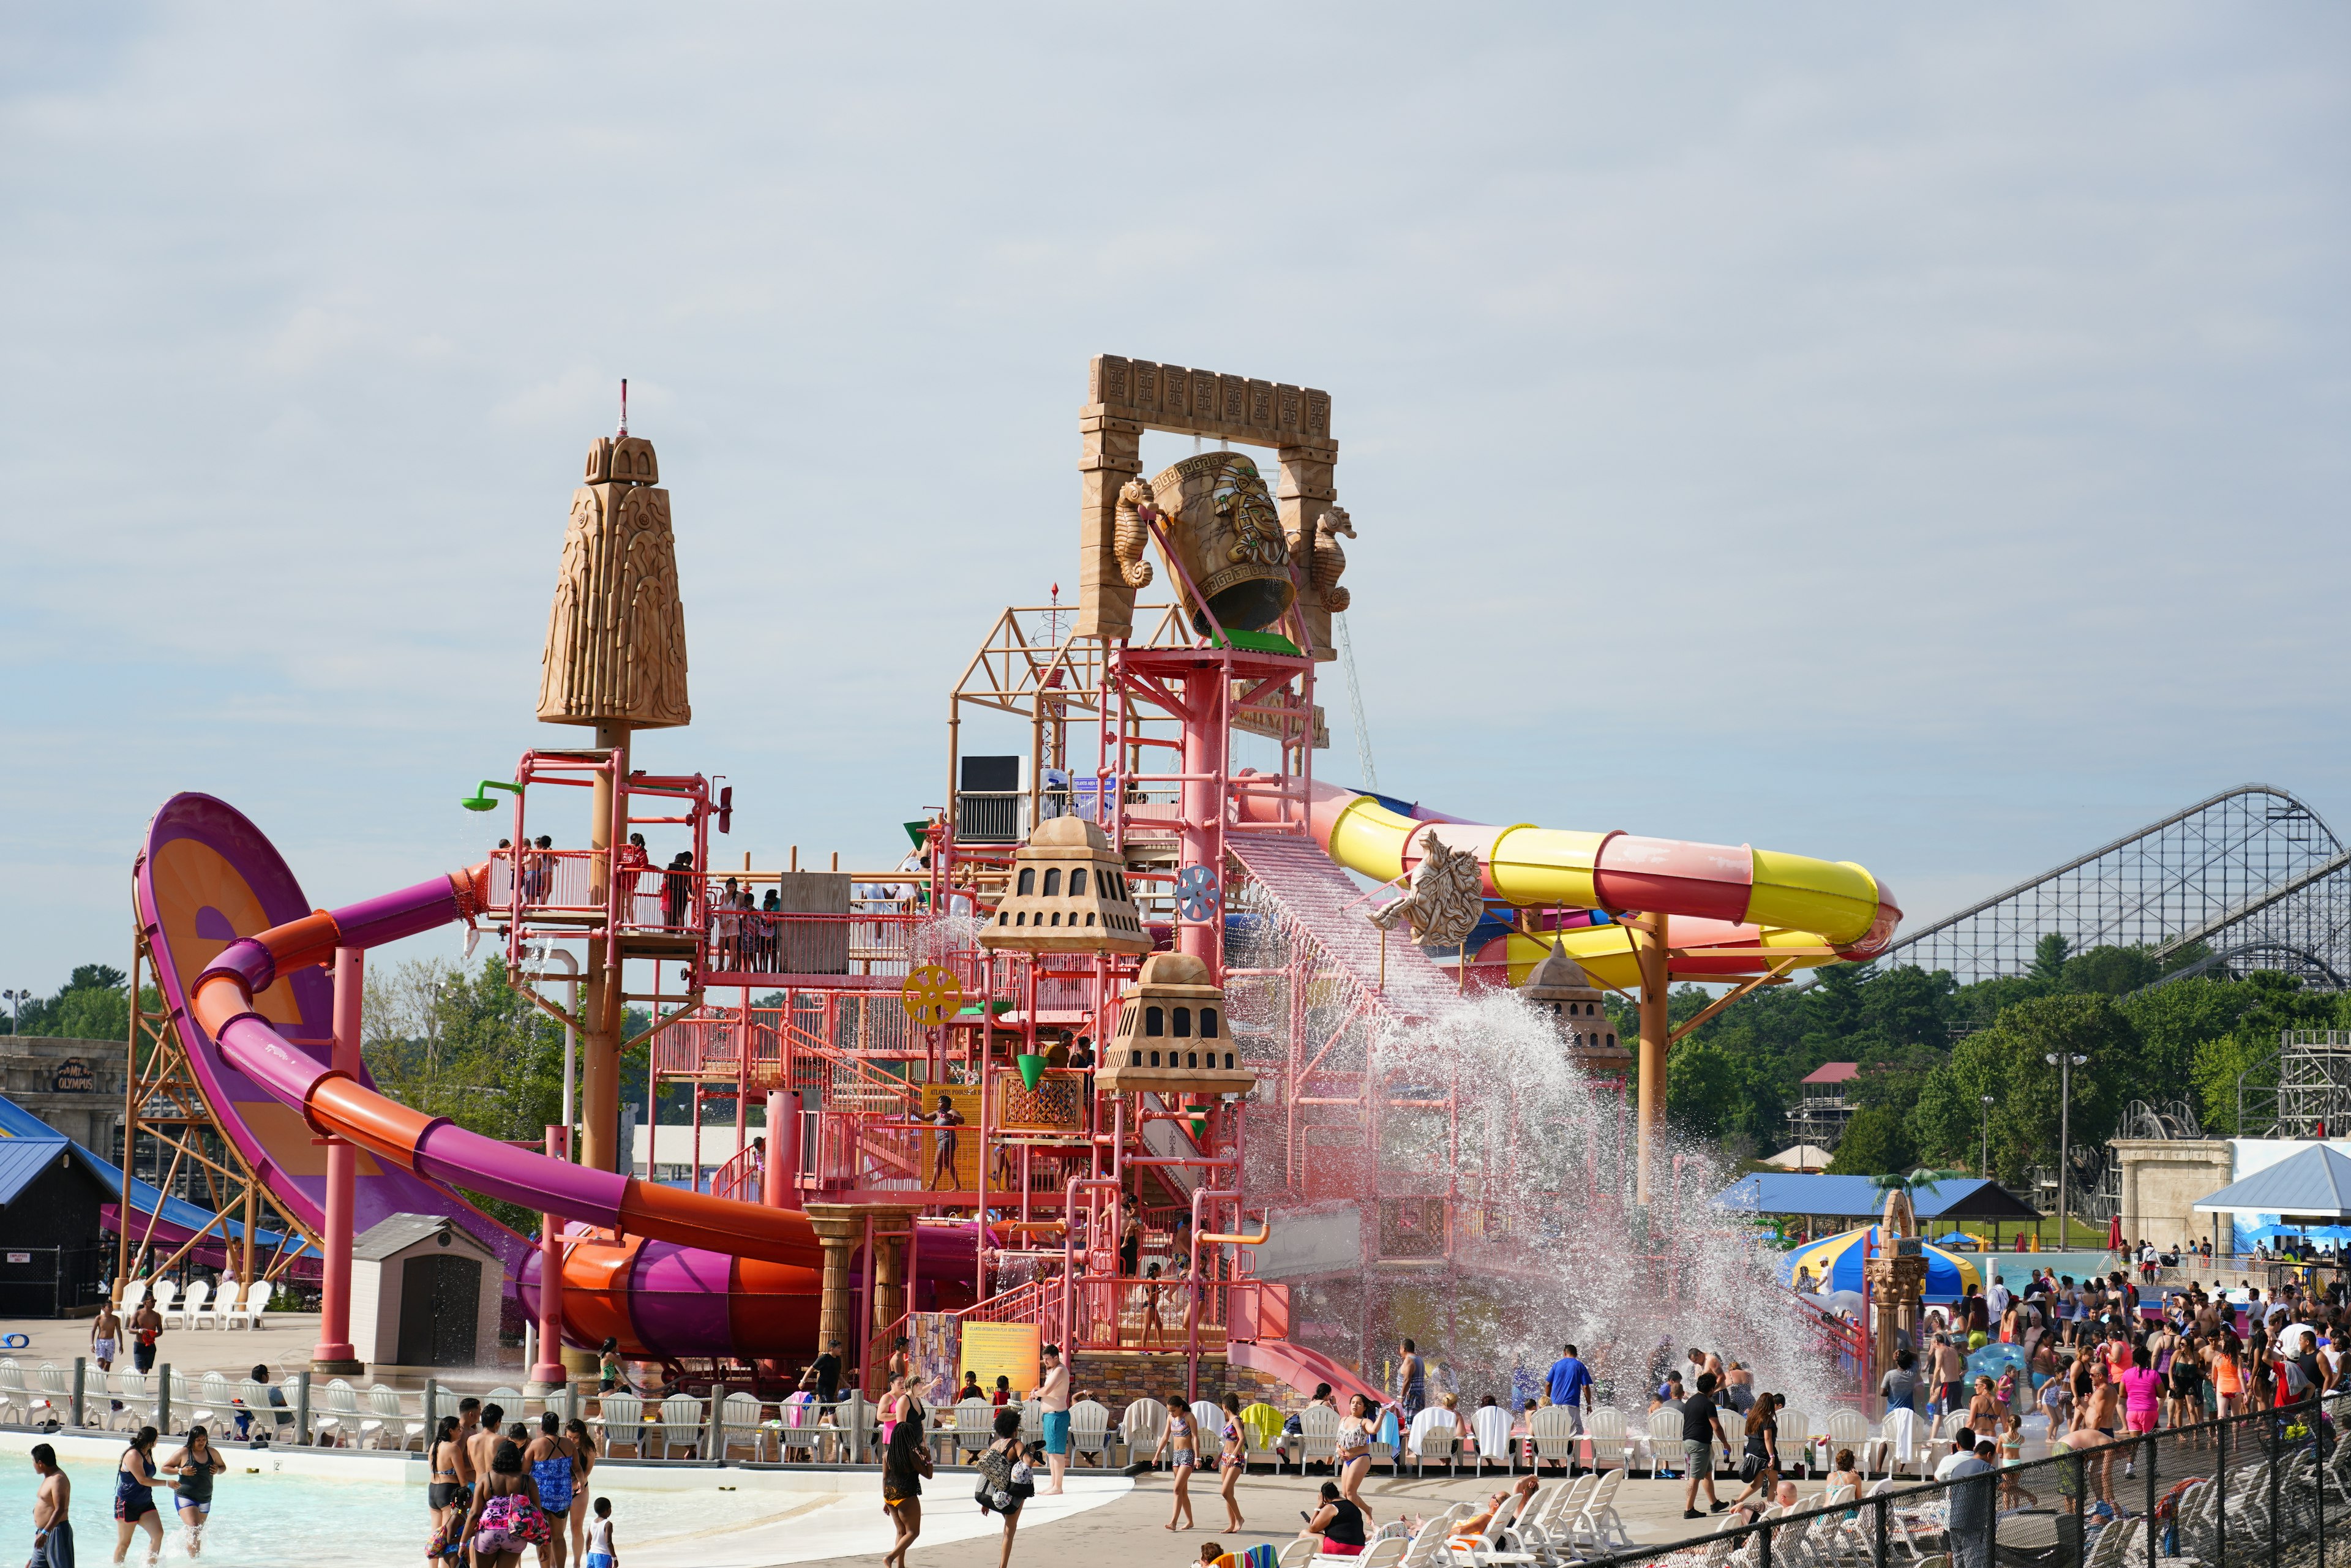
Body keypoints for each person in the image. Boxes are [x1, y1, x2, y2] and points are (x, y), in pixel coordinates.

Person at [463, 1439, 547, 1568]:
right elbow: (539, 1514)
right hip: (515, 1535)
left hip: (488, 1533)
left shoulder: (486, 1479)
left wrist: (463, 1544)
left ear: (497, 1457)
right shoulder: (527, 1480)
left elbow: (474, 1513)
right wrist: (543, 1544)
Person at [974, 1408, 1027, 1568]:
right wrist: (1030, 1453)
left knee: (1008, 1527)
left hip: (992, 1494)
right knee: (1009, 1531)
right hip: (1009, 1495)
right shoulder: (1017, 1444)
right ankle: (1002, 1566)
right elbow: (1028, 1463)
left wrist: (985, 1502)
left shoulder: (995, 1444)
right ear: (1014, 1428)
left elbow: (990, 1472)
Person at [161, 1425, 224, 1558]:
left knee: (197, 1532)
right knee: (195, 1528)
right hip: (185, 1496)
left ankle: (191, 1558)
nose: (202, 1443)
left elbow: (223, 1467)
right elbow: (164, 1468)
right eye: (198, 1440)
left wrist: (218, 1470)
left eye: (204, 1439)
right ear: (192, 1440)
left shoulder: (212, 1452)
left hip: (205, 1498)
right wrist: (180, 1471)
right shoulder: (183, 1453)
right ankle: (193, 1562)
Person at [523, 1411, 576, 1568]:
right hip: (562, 1496)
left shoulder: (536, 1445)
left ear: (543, 1427)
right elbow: (578, 1469)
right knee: (559, 1537)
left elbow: (524, 1471)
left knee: (542, 1536)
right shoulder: (569, 1444)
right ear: (558, 1427)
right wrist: (581, 1484)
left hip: (541, 1497)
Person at [113, 1425, 171, 1566]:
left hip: (145, 1502)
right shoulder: (133, 1455)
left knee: (158, 1534)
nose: (158, 1440)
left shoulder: (148, 1452)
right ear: (151, 1440)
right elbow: (143, 1480)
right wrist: (168, 1483)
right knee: (124, 1543)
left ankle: (150, 1565)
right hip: (127, 1504)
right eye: (157, 1438)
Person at [879, 1416, 931, 1568]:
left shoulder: (887, 1455)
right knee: (913, 1532)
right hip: (906, 1496)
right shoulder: (912, 1456)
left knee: (901, 1532)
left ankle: (900, 1566)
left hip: (890, 1496)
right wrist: (928, 1458)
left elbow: (885, 1478)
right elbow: (929, 1475)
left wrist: (885, 1500)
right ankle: (890, 1558)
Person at [1679, 1371, 1730, 1520]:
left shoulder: (1691, 1401)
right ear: (1712, 1389)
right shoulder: (1708, 1403)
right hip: (1699, 1444)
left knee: (1707, 1473)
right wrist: (1725, 1443)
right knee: (1694, 1477)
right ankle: (1689, 1510)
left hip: (1690, 1442)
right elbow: (1716, 1427)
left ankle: (1714, 1503)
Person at [1942, 1436, 1998, 1568]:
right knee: (1973, 1561)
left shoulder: (1958, 1468)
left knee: (1959, 1561)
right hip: (1972, 1524)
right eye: (1993, 1459)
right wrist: (2027, 1494)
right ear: (1989, 1455)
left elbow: (1950, 1494)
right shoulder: (1985, 1467)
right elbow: (2004, 1486)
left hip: (1954, 1522)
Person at [1725, 1392, 1780, 1512]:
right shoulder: (1767, 1419)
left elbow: (1746, 1432)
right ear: (1769, 1405)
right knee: (1774, 1481)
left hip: (1752, 1451)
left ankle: (1738, 1501)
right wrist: (1772, 1457)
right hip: (1764, 1453)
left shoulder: (1752, 1417)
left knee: (1758, 1483)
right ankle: (1770, 1506)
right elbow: (1767, 1438)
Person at [1155, 1389, 1198, 1531]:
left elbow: (1195, 1438)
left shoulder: (1189, 1417)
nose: (1171, 1413)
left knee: (1177, 1489)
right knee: (1183, 1491)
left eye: (1173, 1410)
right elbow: (1165, 1437)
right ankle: (1190, 1521)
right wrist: (1156, 1455)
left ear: (1180, 1407)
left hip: (1188, 1455)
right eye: (1169, 1411)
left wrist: (1197, 1457)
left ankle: (1173, 1522)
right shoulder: (1170, 1419)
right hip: (1176, 1456)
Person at [1034, 1343, 1071, 1496]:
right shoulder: (1053, 1371)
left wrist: (1036, 1393)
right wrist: (1037, 1392)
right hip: (1050, 1416)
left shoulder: (1060, 1370)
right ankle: (1053, 1484)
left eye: (1048, 1359)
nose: (1046, 1362)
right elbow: (1046, 1391)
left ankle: (1058, 1486)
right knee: (1050, 1453)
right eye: (1044, 1359)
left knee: (1057, 1453)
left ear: (1056, 1357)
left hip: (1057, 1416)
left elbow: (1048, 1390)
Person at [1332, 1394, 1376, 1523]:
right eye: (1353, 1402)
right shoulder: (1344, 1419)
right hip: (1347, 1459)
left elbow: (1373, 1430)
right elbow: (1339, 1439)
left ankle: (1353, 1522)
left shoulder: (1365, 1422)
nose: (1355, 1405)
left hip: (1361, 1458)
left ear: (1364, 1408)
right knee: (1346, 1493)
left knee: (1351, 1492)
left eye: (1359, 1403)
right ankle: (1368, 1509)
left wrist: (1382, 1416)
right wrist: (1338, 1450)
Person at [29, 1443, 72, 1568]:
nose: (33, 1464)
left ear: (40, 1463)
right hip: (43, 1532)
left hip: (55, 1532)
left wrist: (46, 1533)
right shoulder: (48, 1478)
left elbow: (60, 1510)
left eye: (33, 1461)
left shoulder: (58, 1479)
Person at [1299, 1480, 1366, 1558]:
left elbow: (1313, 1529)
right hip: (1359, 1548)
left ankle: (1301, 1563)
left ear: (1324, 1497)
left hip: (1342, 1548)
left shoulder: (1331, 1507)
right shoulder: (1350, 1504)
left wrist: (1318, 1507)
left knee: (1304, 1534)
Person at [1543, 1342, 1591, 1447]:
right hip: (1571, 1405)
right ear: (1576, 1354)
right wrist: (1589, 1405)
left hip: (1555, 1404)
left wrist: (1547, 1399)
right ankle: (1568, 1461)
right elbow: (1586, 1387)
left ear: (1565, 1353)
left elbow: (1548, 1385)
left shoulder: (1557, 1365)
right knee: (1572, 1434)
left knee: (1556, 1432)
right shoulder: (1580, 1366)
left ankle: (1557, 1460)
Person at [1215, 1392, 1247, 1533]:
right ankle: (1232, 1524)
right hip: (1225, 1458)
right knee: (1229, 1494)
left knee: (1225, 1492)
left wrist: (1233, 1456)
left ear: (1225, 1406)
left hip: (1236, 1459)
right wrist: (1219, 1457)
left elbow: (1242, 1439)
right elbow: (1228, 1442)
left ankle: (1239, 1518)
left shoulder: (1236, 1421)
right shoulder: (1228, 1421)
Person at [926, 1095, 964, 1191]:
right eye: (938, 1102)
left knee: (937, 1163)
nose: (938, 1104)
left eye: (940, 1102)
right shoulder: (938, 1113)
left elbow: (962, 1121)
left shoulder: (951, 1111)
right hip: (943, 1141)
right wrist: (913, 1111)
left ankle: (932, 1187)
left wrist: (952, 1116)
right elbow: (924, 1117)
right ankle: (957, 1186)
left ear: (946, 1104)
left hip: (947, 1140)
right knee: (948, 1164)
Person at [1879, 1349, 1921, 1418]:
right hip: (1909, 1415)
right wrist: (1900, 1351)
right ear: (1910, 1362)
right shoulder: (1913, 1373)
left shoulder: (1889, 1374)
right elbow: (1916, 1356)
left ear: (1897, 1360)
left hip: (1892, 1415)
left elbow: (1882, 1393)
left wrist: (1891, 1393)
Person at [1394, 1339, 1425, 1429]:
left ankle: (1411, 1444)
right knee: (1416, 1427)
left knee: (1411, 1429)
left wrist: (1401, 1398)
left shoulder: (1409, 1360)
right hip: (1419, 1399)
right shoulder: (1419, 1359)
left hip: (1411, 1400)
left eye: (1400, 1349)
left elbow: (1407, 1380)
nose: (1400, 1352)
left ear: (1403, 1348)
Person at [129, 1298, 162, 1376]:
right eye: (152, 1301)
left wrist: (153, 1335)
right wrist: (140, 1331)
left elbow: (160, 1331)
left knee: (146, 1371)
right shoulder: (138, 1314)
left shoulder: (156, 1316)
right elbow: (130, 1330)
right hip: (139, 1345)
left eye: (155, 1301)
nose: (154, 1303)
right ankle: (138, 1387)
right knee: (140, 1371)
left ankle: (141, 1387)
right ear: (145, 1303)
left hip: (151, 1346)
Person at [582, 1496, 618, 1568]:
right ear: (608, 1510)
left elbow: (588, 1541)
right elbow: (608, 1542)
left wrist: (588, 1555)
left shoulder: (592, 1522)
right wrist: (614, 1558)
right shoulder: (608, 1524)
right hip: (603, 1556)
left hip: (591, 1554)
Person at [810, 1340, 844, 1406]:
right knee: (831, 1408)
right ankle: (832, 1416)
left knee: (822, 1409)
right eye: (839, 1348)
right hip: (823, 1388)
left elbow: (838, 1373)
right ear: (832, 1349)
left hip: (832, 1388)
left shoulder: (838, 1360)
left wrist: (845, 1383)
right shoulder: (824, 1358)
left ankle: (818, 1416)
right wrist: (803, 1382)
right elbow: (811, 1368)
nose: (841, 1350)